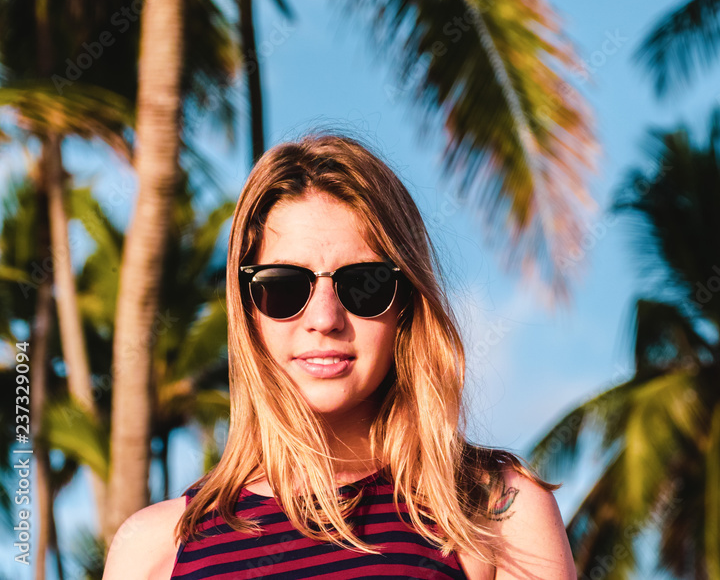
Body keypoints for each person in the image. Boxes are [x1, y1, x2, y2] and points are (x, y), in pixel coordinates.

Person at [102, 132, 576, 579]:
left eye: (363, 285)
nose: (325, 318)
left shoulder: (494, 512)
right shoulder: (155, 549)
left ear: (406, 304)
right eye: (284, 287)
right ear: (248, 310)